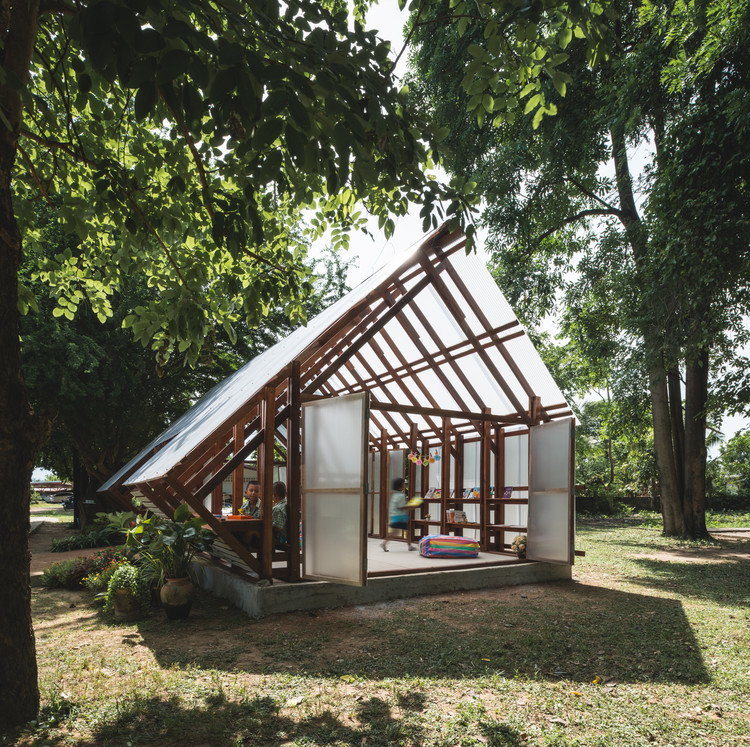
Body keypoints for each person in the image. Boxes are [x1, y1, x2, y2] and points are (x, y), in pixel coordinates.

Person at [381, 477, 417, 552]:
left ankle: (385, 543)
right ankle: (409, 546)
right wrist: (411, 505)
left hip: (395, 516)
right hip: (400, 517)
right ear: (400, 486)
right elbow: (401, 507)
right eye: (404, 484)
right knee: (406, 531)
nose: (405, 485)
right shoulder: (401, 496)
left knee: (397, 531)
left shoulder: (395, 495)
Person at [271, 481, 288, 545]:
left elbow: (278, 527)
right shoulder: (285, 504)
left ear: (274, 495)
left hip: (280, 538)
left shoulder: (278, 508)